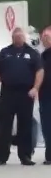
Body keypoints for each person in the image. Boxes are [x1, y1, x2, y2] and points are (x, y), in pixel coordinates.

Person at [0, 26, 43, 166]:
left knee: (25, 126)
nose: (18, 39)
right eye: (15, 37)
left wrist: (35, 88)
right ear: (12, 38)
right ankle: (2, 156)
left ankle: (25, 156)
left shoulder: (32, 53)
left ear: (24, 38)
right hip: (7, 93)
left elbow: (39, 71)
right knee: (5, 126)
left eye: (20, 37)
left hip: (25, 93)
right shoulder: (5, 52)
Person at [39, 28, 51, 164]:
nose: (45, 40)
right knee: (47, 126)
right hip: (45, 95)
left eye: (47, 37)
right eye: (44, 38)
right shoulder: (42, 56)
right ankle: (49, 155)